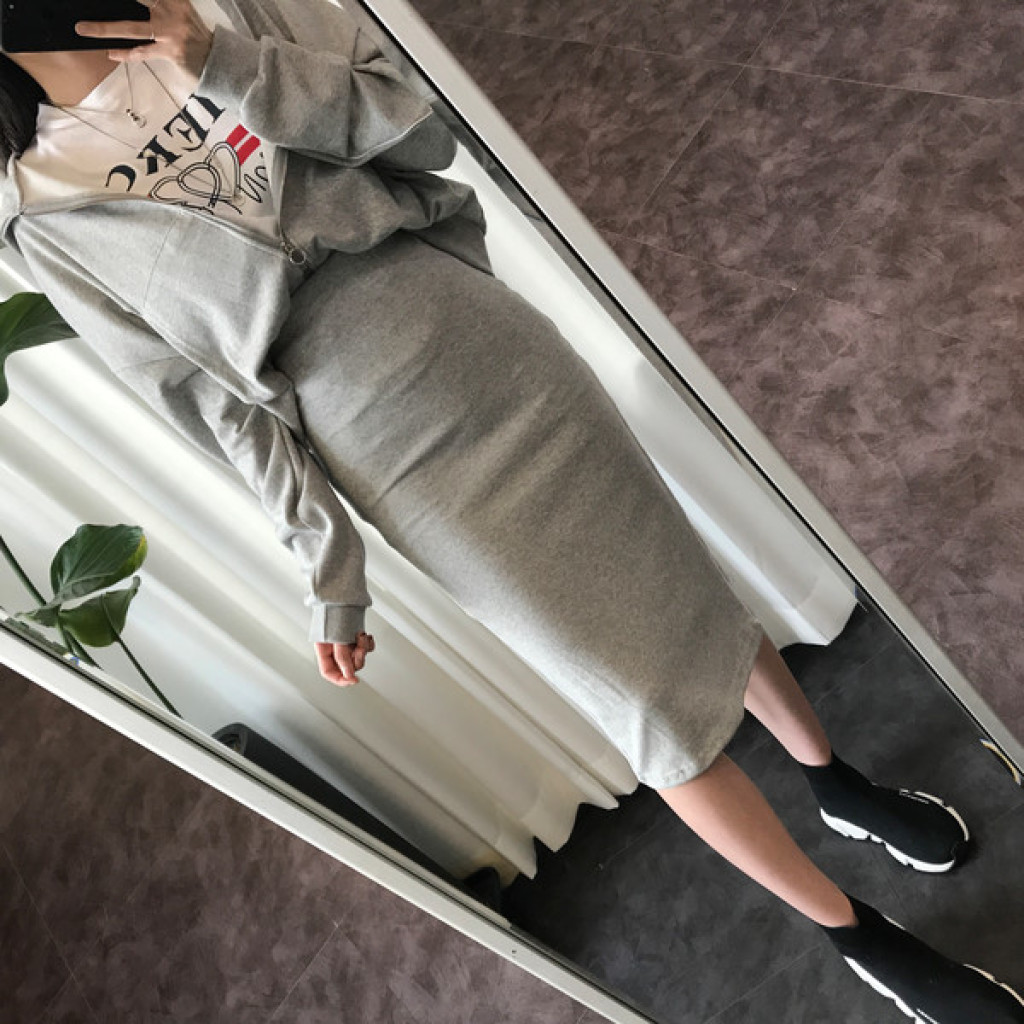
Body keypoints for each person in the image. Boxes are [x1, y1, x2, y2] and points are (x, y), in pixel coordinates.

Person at [0, 0, 1020, 1019]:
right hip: (393, 453)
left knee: (682, 579)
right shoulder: (47, 215)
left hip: (489, 342)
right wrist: (328, 564)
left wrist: (226, 63)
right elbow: (215, 405)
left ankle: (835, 780)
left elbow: (417, 129)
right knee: (638, 705)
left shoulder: (227, 22)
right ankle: (858, 936)